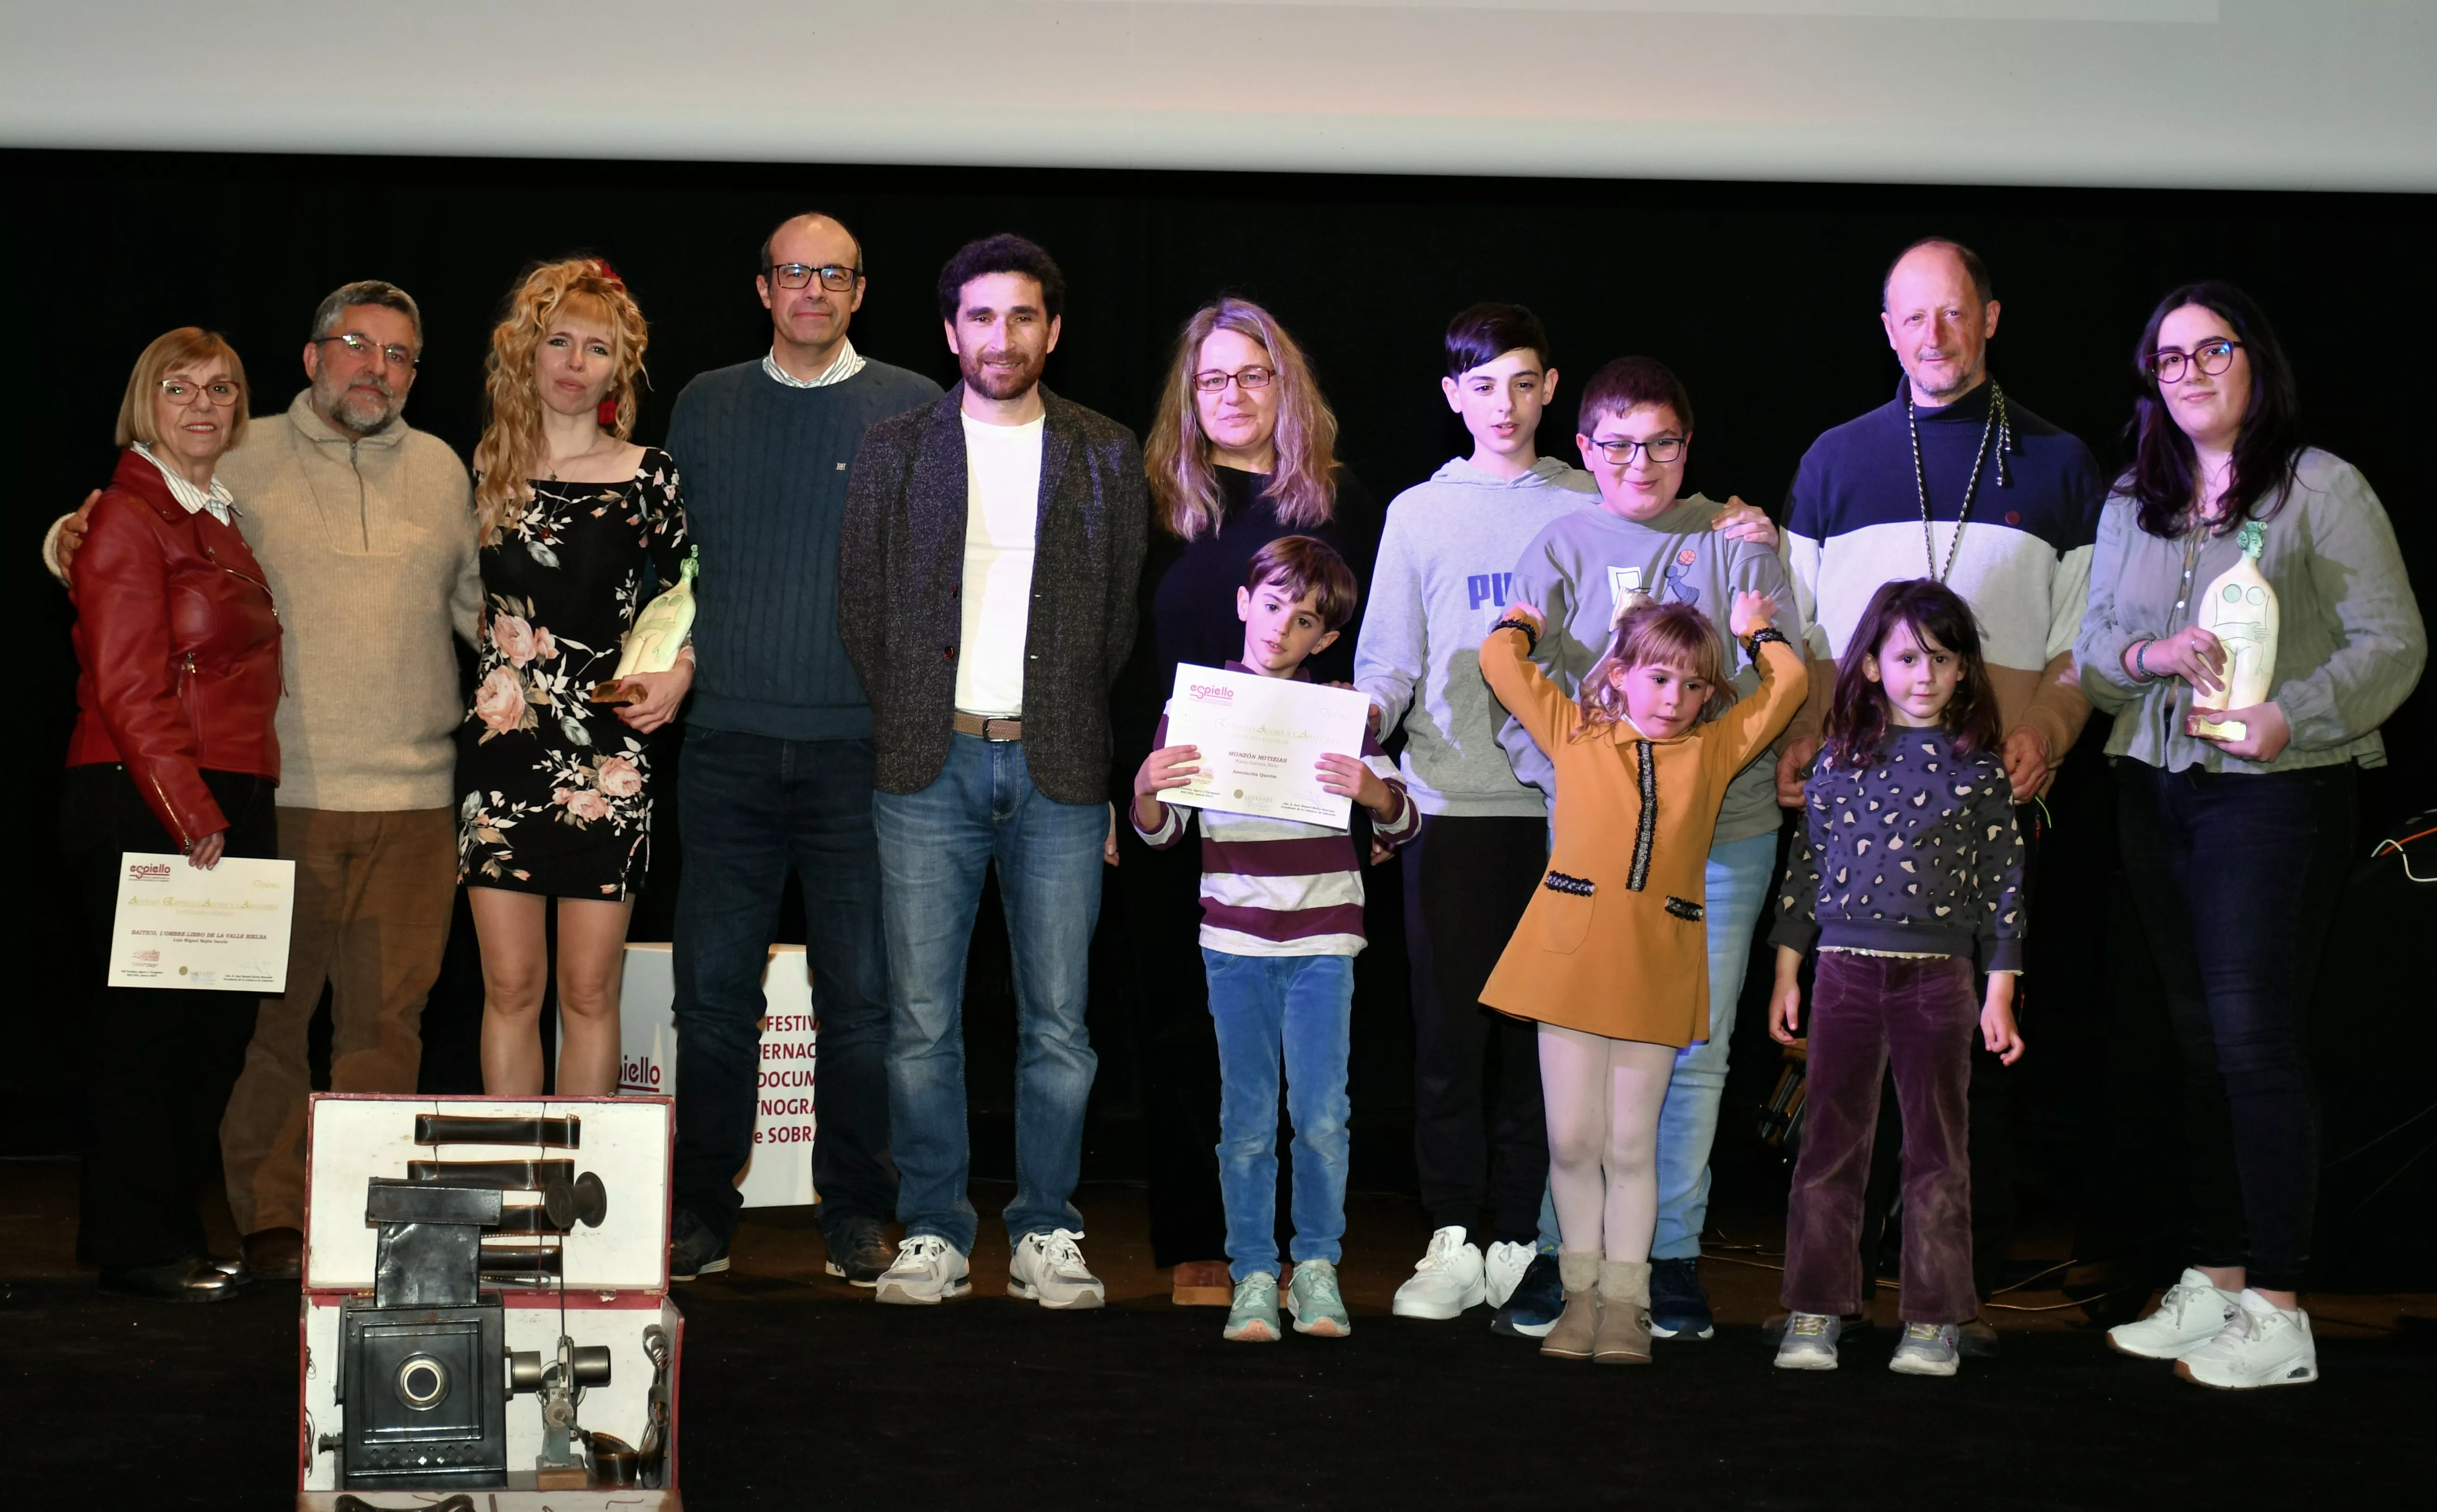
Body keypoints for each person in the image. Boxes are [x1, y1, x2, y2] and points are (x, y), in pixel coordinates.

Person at [50, 280, 481, 1281]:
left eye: (400, 355)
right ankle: (273, 1223)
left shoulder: (440, 468)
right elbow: (118, 542)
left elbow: (477, 607)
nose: (376, 368)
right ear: (311, 354)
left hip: (414, 797)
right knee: (264, 1031)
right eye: (356, 345)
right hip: (274, 793)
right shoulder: (234, 455)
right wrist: (64, 539)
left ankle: (371, 1226)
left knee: (386, 1028)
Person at [2077, 283, 2424, 1390]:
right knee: (2196, 1050)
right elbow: (2089, 653)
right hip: (2154, 785)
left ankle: (2279, 1307)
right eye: (2165, 360)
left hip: (2277, 795)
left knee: (2255, 1044)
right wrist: (2147, 659)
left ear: (2254, 359)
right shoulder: (2135, 497)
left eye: (2207, 350)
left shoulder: (2324, 487)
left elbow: (2395, 643)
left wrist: (2294, 714)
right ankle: (2217, 1279)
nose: (2185, 373)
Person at [1775, 238, 2103, 1345]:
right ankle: (1825, 1299)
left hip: (1988, 803)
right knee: (1841, 1087)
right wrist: (1806, 737)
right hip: (1858, 808)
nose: (1934, 335)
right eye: (1912, 317)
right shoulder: (1834, 459)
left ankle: (1950, 1305)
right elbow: (1806, 632)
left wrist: (2048, 735)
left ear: (1992, 317)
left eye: (1954, 313)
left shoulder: (2059, 463)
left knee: (1970, 1075)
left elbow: (2083, 645)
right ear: (1887, 329)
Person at [839, 234, 1148, 1308]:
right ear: (949, 331)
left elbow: (1118, 624)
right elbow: (862, 609)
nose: (1001, 337)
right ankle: (932, 1228)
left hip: (1060, 769)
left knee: (1058, 1021)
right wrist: (929, 717)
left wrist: (1060, 719)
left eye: (1023, 317)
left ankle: (1047, 1229)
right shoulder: (896, 447)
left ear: (1052, 331)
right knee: (922, 1020)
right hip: (928, 767)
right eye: (981, 317)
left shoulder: (1107, 451)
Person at [659, 213, 942, 1286]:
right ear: (764, 287)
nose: (812, 289)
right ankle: (699, 1209)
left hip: (858, 756)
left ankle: (858, 1209)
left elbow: (935, 576)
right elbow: (671, 564)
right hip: (727, 740)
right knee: (713, 996)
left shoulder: (915, 405)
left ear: (861, 291)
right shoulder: (705, 401)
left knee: (863, 1002)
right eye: (794, 273)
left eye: (833, 274)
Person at [1500, 356, 1800, 1343]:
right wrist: (1573, 781)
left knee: (1695, 1054)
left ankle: (1664, 1258)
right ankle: (1562, 1255)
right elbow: (1519, 673)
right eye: (1620, 443)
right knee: (1578, 1072)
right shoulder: (1561, 539)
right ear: (1585, 448)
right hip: (1597, 845)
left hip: (1726, 832)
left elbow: (1778, 668)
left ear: (1688, 445)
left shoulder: (1738, 536)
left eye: (1663, 442)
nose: (1643, 461)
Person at [1118, 296, 1379, 1307]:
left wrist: (1372, 793)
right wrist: (1121, 794)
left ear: (1287, 386)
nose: (1233, 395)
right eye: (1213, 379)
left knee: (1307, 1054)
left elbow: (1369, 659)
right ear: (1190, 394)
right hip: (1178, 805)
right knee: (1186, 1025)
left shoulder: (1345, 505)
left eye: (1253, 375)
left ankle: (1302, 1253)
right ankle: (1202, 1238)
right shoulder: (1151, 500)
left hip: (1306, 822)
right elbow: (1121, 658)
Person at [1351, 304, 1591, 1332]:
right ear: (1453, 396)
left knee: (1547, 1036)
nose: (1504, 403)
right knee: (1451, 1032)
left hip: (1570, 809)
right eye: (1482, 385)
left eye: (1524, 382)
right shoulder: (1418, 511)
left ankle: (1518, 1238)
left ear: (1551, 390)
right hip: (1448, 806)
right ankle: (1452, 1230)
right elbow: (1387, 658)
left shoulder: (1592, 498)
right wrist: (1349, 732)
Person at [1130, 537, 1419, 1341]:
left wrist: (1374, 790)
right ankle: (1255, 1271)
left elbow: (1407, 817)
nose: (1281, 629)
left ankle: (1317, 1268)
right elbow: (1160, 834)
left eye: (1304, 621)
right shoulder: (1199, 709)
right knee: (1248, 1119)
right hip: (1234, 941)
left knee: (1323, 1114)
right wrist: (1146, 789)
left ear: (1326, 640)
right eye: (1271, 607)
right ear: (1243, 603)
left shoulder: (1339, 714)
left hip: (1325, 939)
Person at [62, 330, 282, 1302]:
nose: (204, 404)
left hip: (226, 789)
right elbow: (126, 686)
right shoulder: (125, 515)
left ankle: (170, 1226)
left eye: (222, 388)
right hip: (148, 791)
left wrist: (226, 802)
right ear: (143, 402)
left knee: (214, 1032)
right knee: (147, 1035)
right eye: (179, 387)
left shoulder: (216, 514)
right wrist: (190, 807)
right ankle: (133, 1240)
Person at [1768, 579, 2028, 1379]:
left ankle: (1934, 1317)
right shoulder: (1838, 766)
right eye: (1908, 657)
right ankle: (1815, 1307)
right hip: (1844, 972)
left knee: (1937, 1152)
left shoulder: (1980, 775)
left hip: (1938, 981)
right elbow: (1805, 874)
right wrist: (1788, 971)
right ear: (1874, 666)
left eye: (1942, 659)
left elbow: (2004, 887)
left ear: (1962, 674)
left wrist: (2000, 992)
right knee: (1830, 1147)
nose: (1925, 673)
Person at [457, 259, 691, 1097]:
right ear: (527, 352)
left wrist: (684, 668)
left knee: (590, 993)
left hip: (611, 760)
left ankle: (577, 1204)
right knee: (511, 990)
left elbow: (685, 597)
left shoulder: (650, 477)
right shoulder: (482, 475)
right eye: (558, 341)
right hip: (501, 757)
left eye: (596, 347)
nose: (573, 361)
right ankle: (519, 1185)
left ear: (618, 368)